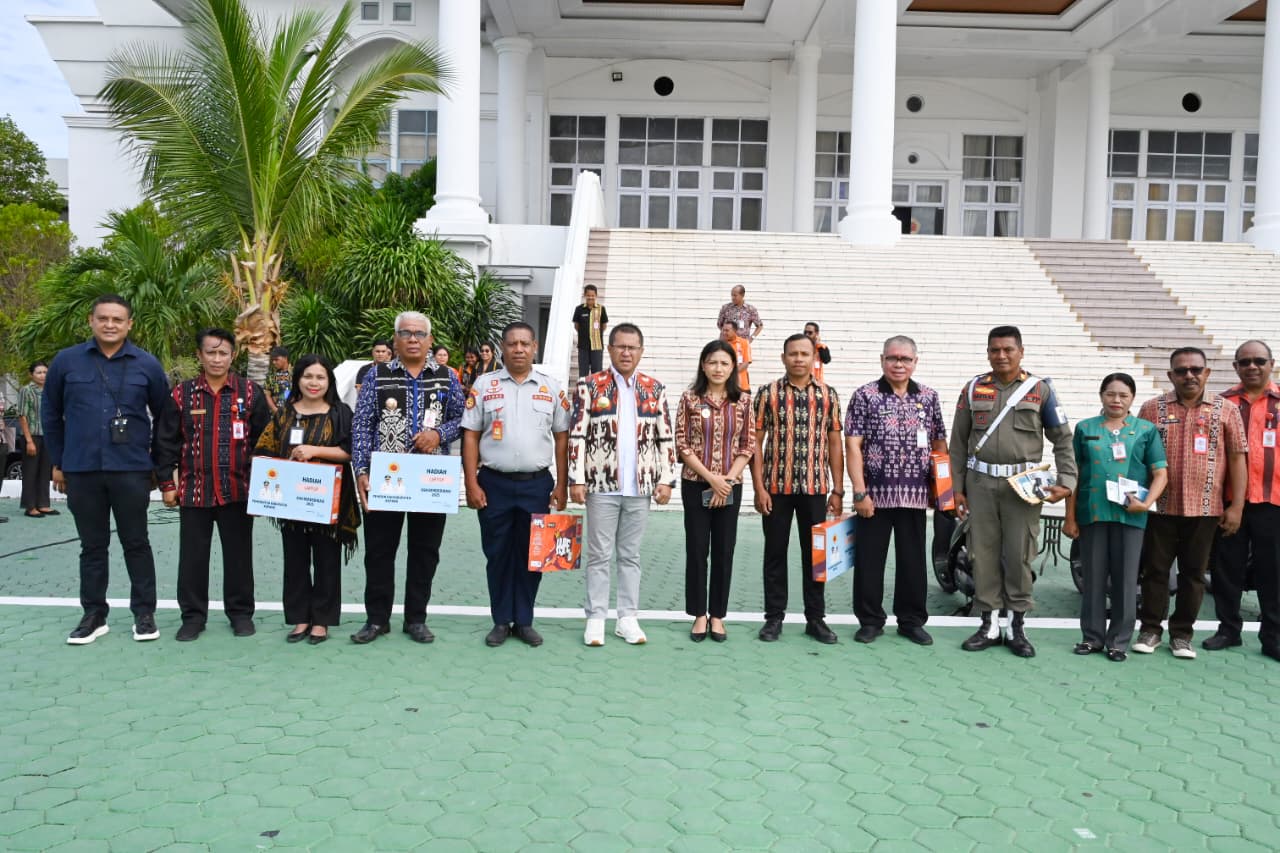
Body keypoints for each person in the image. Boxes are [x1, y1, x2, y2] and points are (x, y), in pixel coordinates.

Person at [43, 294, 171, 645]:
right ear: (91, 321)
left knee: (136, 543)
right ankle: (94, 615)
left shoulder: (146, 364)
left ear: (129, 324)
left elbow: (165, 418)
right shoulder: (67, 362)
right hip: (81, 469)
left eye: (118, 319)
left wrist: (161, 468)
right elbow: (51, 414)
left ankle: (144, 614)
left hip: (130, 470)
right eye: (103, 318)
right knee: (92, 546)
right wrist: (58, 462)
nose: (110, 325)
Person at [948, 325, 1076, 658]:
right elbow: (958, 444)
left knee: (1019, 555)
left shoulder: (1040, 391)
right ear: (988, 352)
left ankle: (1017, 625)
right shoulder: (974, 388)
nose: (1001, 356)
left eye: (1008, 349)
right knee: (983, 553)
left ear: (1021, 351)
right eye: (995, 350)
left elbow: (1062, 438)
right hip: (980, 485)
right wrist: (956, 489)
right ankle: (989, 623)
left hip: (1024, 486)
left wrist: (1067, 481)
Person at [351, 311, 465, 644]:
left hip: (430, 480)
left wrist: (439, 434)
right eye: (405, 333)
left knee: (425, 550)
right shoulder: (377, 374)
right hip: (385, 478)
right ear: (395, 339)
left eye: (419, 333)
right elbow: (362, 424)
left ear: (430, 341)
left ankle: (416, 618)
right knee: (379, 551)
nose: (413, 338)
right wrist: (360, 470)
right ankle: (376, 619)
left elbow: (463, 417)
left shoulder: (446, 377)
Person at [1129, 347, 1248, 659]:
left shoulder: (1227, 410)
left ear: (1206, 373)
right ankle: (1151, 629)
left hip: (1206, 508)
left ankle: (1182, 634)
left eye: (1196, 369)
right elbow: (1137, 457)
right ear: (1171, 375)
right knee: (1155, 571)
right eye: (1181, 370)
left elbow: (1237, 458)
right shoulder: (1151, 408)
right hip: (1160, 508)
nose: (1189, 375)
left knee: (1193, 574)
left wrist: (1236, 506)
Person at [154, 328, 271, 641]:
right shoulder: (182, 394)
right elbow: (165, 441)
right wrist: (167, 482)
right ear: (199, 356)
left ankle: (241, 615)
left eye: (223, 353)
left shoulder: (250, 393)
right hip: (194, 493)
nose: (217, 359)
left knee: (239, 558)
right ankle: (192, 617)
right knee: (192, 559)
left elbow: (265, 443)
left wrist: (262, 492)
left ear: (233, 356)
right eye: (211, 352)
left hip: (238, 492)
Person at [462, 322, 571, 647]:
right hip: (493, 483)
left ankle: (524, 620)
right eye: (513, 344)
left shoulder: (550, 387)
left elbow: (562, 438)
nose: (519, 349)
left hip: (536, 485)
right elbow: (470, 434)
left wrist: (562, 484)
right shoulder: (484, 385)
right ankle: (500, 620)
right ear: (502, 347)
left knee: (532, 555)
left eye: (525, 343)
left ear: (535, 347)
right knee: (497, 553)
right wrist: (470, 482)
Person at [569, 323, 676, 647]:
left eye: (632, 347)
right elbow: (577, 434)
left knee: (630, 556)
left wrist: (667, 480)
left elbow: (665, 436)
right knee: (599, 555)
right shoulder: (590, 386)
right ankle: (596, 618)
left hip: (640, 488)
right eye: (620, 346)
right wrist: (577, 478)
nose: (626, 352)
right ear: (609, 349)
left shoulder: (654, 389)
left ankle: (627, 617)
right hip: (601, 486)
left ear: (641, 351)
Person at [844, 336, 947, 646]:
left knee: (913, 561)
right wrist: (860, 492)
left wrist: (941, 490)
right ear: (882, 360)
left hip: (915, 496)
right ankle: (870, 621)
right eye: (892, 358)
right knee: (869, 561)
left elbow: (940, 443)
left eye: (905, 359)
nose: (898, 364)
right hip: (875, 495)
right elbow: (853, 444)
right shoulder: (865, 395)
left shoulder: (928, 397)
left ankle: (911, 621)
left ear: (915, 362)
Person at [1063, 373, 1168, 663]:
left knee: (1125, 580)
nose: (1116, 400)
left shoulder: (1145, 430)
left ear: (1132, 398)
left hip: (1130, 515)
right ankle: (1092, 638)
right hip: (1092, 513)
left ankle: (1119, 641)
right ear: (1101, 395)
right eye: (1111, 394)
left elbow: (1161, 473)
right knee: (1093, 578)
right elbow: (1074, 475)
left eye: (1123, 395)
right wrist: (1069, 517)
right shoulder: (1085, 429)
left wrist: (1146, 504)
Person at [255, 355, 361, 644]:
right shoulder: (284, 414)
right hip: (292, 501)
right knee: (295, 561)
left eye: (320, 377)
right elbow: (264, 449)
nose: (314, 383)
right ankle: (300, 618)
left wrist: (314, 451)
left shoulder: (341, 413)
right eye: (308, 377)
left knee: (327, 561)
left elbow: (351, 451)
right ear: (297, 380)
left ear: (329, 382)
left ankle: (322, 621)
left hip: (329, 503)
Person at [753, 333, 844, 644]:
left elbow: (835, 443)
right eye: (793, 354)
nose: (799, 359)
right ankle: (773, 618)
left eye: (804, 354)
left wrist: (838, 489)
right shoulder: (767, 394)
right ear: (783, 358)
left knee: (815, 556)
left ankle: (815, 619)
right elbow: (755, 441)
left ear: (813, 357)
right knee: (774, 553)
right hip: (776, 486)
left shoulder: (829, 395)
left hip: (816, 487)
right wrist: (758, 487)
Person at [675, 340, 755, 643]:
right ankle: (698, 614)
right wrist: (712, 479)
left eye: (724, 363)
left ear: (733, 366)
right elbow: (682, 444)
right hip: (695, 484)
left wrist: (728, 481)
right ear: (703, 365)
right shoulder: (690, 399)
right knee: (697, 550)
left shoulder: (744, 401)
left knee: (724, 550)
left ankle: (718, 615)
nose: (718, 368)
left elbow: (748, 445)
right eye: (712, 362)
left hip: (731, 486)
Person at [1209, 340, 1280, 660]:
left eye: (1259, 361)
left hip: (1273, 501)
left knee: (1273, 570)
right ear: (1236, 366)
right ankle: (1228, 629)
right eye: (1245, 362)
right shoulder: (1223, 403)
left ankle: (1273, 636)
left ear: (1271, 364)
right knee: (1227, 568)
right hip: (1229, 501)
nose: (1252, 366)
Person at [17, 361, 56, 519]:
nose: (42, 375)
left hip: (48, 435)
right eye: (39, 372)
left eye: (45, 372)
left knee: (45, 471)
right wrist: (29, 441)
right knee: (31, 471)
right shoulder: (26, 391)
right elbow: (22, 416)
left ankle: (43, 504)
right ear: (31, 375)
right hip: (31, 436)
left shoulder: (51, 391)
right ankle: (30, 506)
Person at [572, 284, 610, 378]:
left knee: (597, 373)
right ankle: (583, 391)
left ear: (596, 296)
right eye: (588, 295)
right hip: (583, 346)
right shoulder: (579, 309)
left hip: (597, 346)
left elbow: (604, 326)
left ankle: (596, 392)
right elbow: (576, 326)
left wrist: (596, 334)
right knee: (583, 373)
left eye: (592, 295)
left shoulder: (601, 309)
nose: (590, 297)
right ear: (585, 295)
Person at [720, 321, 751, 391]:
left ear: (735, 331)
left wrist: (731, 373)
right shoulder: (721, 344)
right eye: (723, 330)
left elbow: (746, 363)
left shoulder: (744, 343)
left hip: (742, 386)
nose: (724, 333)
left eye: (727, 330)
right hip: (725, 386)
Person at [264, 345, 292, 412]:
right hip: (275, 414)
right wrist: (275, 410)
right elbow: (267, 395)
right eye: (273, 360)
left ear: (285, 358)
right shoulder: (271, 375)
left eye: (276, 359)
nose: (274, 362)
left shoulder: (297, 373)